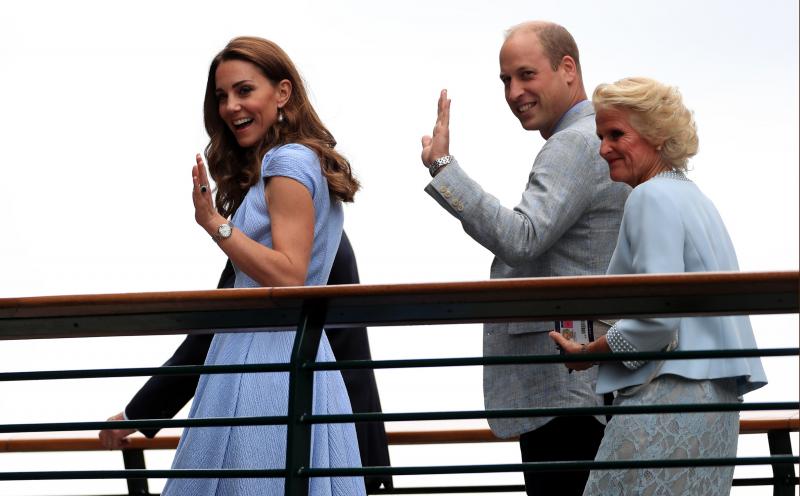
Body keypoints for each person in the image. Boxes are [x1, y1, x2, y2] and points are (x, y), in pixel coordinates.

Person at [419, 21, 630, 495]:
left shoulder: (573, 143)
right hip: (585, 384)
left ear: (568, 68)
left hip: (566, 389)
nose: (514, 92)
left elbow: (522, 237)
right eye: (505, 80)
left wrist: (443, 168)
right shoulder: (594, 136)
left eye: (526, 75)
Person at [149, 36, 365, 495]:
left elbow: (289, 273)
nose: (230, 106)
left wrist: (215, 224)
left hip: (265, 361)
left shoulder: (286, 162)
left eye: (244, 90)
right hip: (287, 355)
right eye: (222, 96)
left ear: (282, 93)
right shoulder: (293, 161)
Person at [550, 76, 767, 495]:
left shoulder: (648, 197)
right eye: (600, 136)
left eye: (616, 135)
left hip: (668, 396)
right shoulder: (696, 199)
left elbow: (656, 320)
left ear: (656, 136)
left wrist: (587, 354)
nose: (603, 149)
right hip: (715, 400)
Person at [99, 232, 392, 492]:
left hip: (313, 439)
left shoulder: (275, 234)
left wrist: (135, 415)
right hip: (343, 432)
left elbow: (216, 333)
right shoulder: (319, 223)